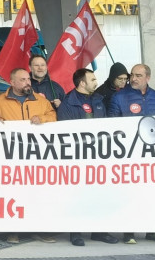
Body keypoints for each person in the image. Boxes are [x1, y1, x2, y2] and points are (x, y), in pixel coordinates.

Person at [0, 68, 56, 244]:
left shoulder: (41, 100)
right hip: (12, 157)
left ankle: (40, 229)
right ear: (13, 82)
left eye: (28, 79)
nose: (27, 83)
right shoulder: (0, 101)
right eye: (23, 80)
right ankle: (13, 231)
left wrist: (42, 119)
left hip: (36, 156)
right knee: (13, 193)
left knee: (38, 193)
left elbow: (53, 116)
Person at [108, 64, 155, 244]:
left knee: (154, 193)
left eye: (138, 75)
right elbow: (111, 124)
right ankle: (129, 231)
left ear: (148, 78)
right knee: (130, 192)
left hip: (154, 156)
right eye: (132, 75)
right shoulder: (119, 97)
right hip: (129, 155)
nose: (133, 79)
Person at [57, 68, 118, 247]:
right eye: (92, 79)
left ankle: (99, 231)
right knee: (76, 195)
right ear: (82, 83)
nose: (96, 82)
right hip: (78, 157)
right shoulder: (68, 103)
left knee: (99, 194)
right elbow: (65, 132)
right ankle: (75, 232)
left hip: (98, 155)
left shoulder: (99, 100)